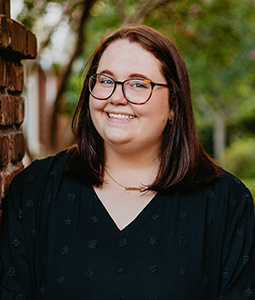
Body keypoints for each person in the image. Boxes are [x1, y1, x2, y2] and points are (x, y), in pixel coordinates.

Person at [0, 24, 254, 300]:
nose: (116, 97)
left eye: (138, 84)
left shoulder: (226, 203)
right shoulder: (37, 190)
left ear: (173, 106)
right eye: (106, 80)